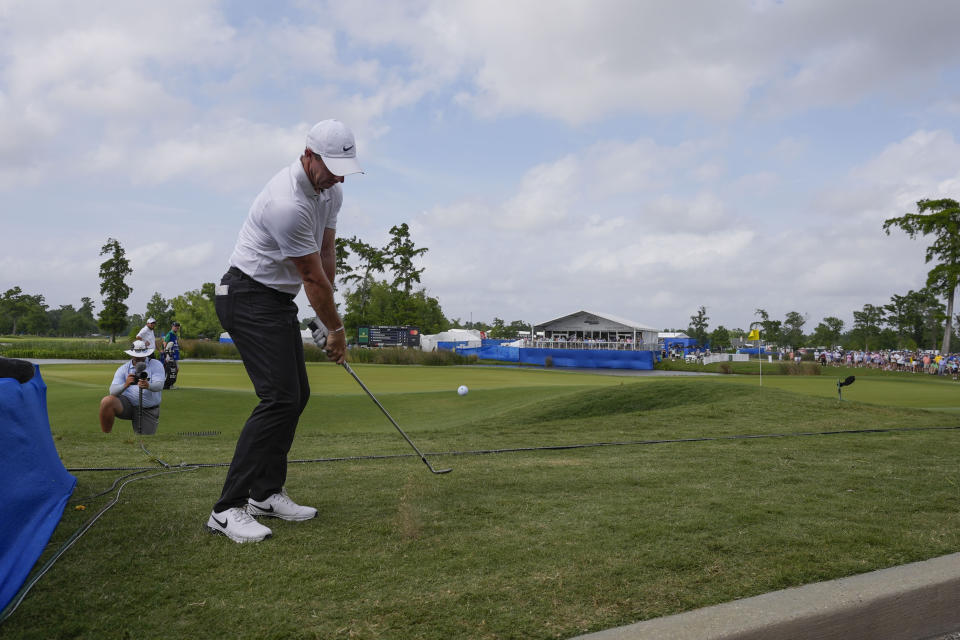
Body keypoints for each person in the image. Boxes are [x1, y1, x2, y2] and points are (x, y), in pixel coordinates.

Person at [207, 119, 362, 544]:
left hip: (275, 300)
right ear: (308, 156)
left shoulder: (332, 191)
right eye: (330, 165)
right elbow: (311, 278)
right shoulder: (285, 203)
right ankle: (226, 509)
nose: (338, 175)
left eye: (343, 166)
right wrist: (335, 328)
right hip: (244, 295)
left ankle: (265, 494)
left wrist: (328, 315)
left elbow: (326, 253)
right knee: (278, 398)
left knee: (297, 397)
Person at [98, 340, 165, 435]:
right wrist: (125, 385)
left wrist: (148, 385)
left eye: (141, 355)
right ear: (132, 355)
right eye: (136, 356)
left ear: (146, 354)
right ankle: (105, 435)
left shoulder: (156, 364)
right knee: (107, 401)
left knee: (144, 439)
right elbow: (112, 391)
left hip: (147, 409)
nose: (139, 358)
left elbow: (159, 386)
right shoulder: (123, 368)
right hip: (127, 405)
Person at [161, 321, 182, 389]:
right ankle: (166, 384)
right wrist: (166, 354)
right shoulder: (169, 334)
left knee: (176, 369)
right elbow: (164, 343)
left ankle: (171, 383)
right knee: (168, 369)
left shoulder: (175, 335)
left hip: (175, 354)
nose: (177, 328)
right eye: (176, 327)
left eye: (178, 327)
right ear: (172, 327)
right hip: (169, 355)